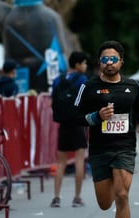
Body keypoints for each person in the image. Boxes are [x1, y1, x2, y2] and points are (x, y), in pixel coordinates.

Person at [74, 40, 139, 218]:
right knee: (105, 203)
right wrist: (96, 117)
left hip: (125, 147)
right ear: (99, 62)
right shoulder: (88, 87)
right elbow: (73, 116)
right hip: (99, 150)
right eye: (105, 59)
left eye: (113, 59)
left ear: (121, 62)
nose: (109, 63)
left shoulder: (133, 86)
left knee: (122, 195)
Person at [50, 51, 89, 208]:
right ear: (78, 64)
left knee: (61, 163)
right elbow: (81, 100)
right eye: (84, 63)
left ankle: (56, 198)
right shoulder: (82, 80)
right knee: (79, 160)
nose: (86, 66)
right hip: (77, 124)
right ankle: (77, 197)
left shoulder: (57, 80)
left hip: (63, 124)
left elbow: (53, 100)